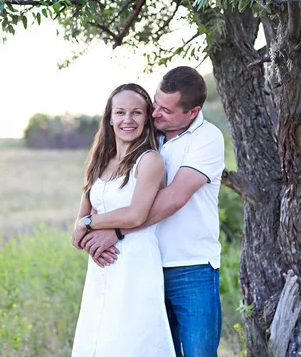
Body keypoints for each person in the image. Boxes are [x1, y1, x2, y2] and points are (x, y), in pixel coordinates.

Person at [81, 66, 225, 357]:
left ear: (193, 112)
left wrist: (115, 230)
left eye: (166, 110)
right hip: (145, 266)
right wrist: (91, 228)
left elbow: (172, 199)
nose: (156, 113)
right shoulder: (150, 137)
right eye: (155, 104)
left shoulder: (207, 138)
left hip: (191, 266)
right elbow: (104, 187)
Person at [70, 83, 176, 357]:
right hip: (103, 267)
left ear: (146, 118)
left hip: (135, 264)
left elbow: (136, 213)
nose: (127, 120)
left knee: (131, 342)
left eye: (136, 112)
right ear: (109, 118)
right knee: (98, 341)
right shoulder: (100, 161)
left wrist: (89, 225)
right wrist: (85, 234)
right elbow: (82, 216)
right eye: (120, 112)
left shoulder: (149, 160)